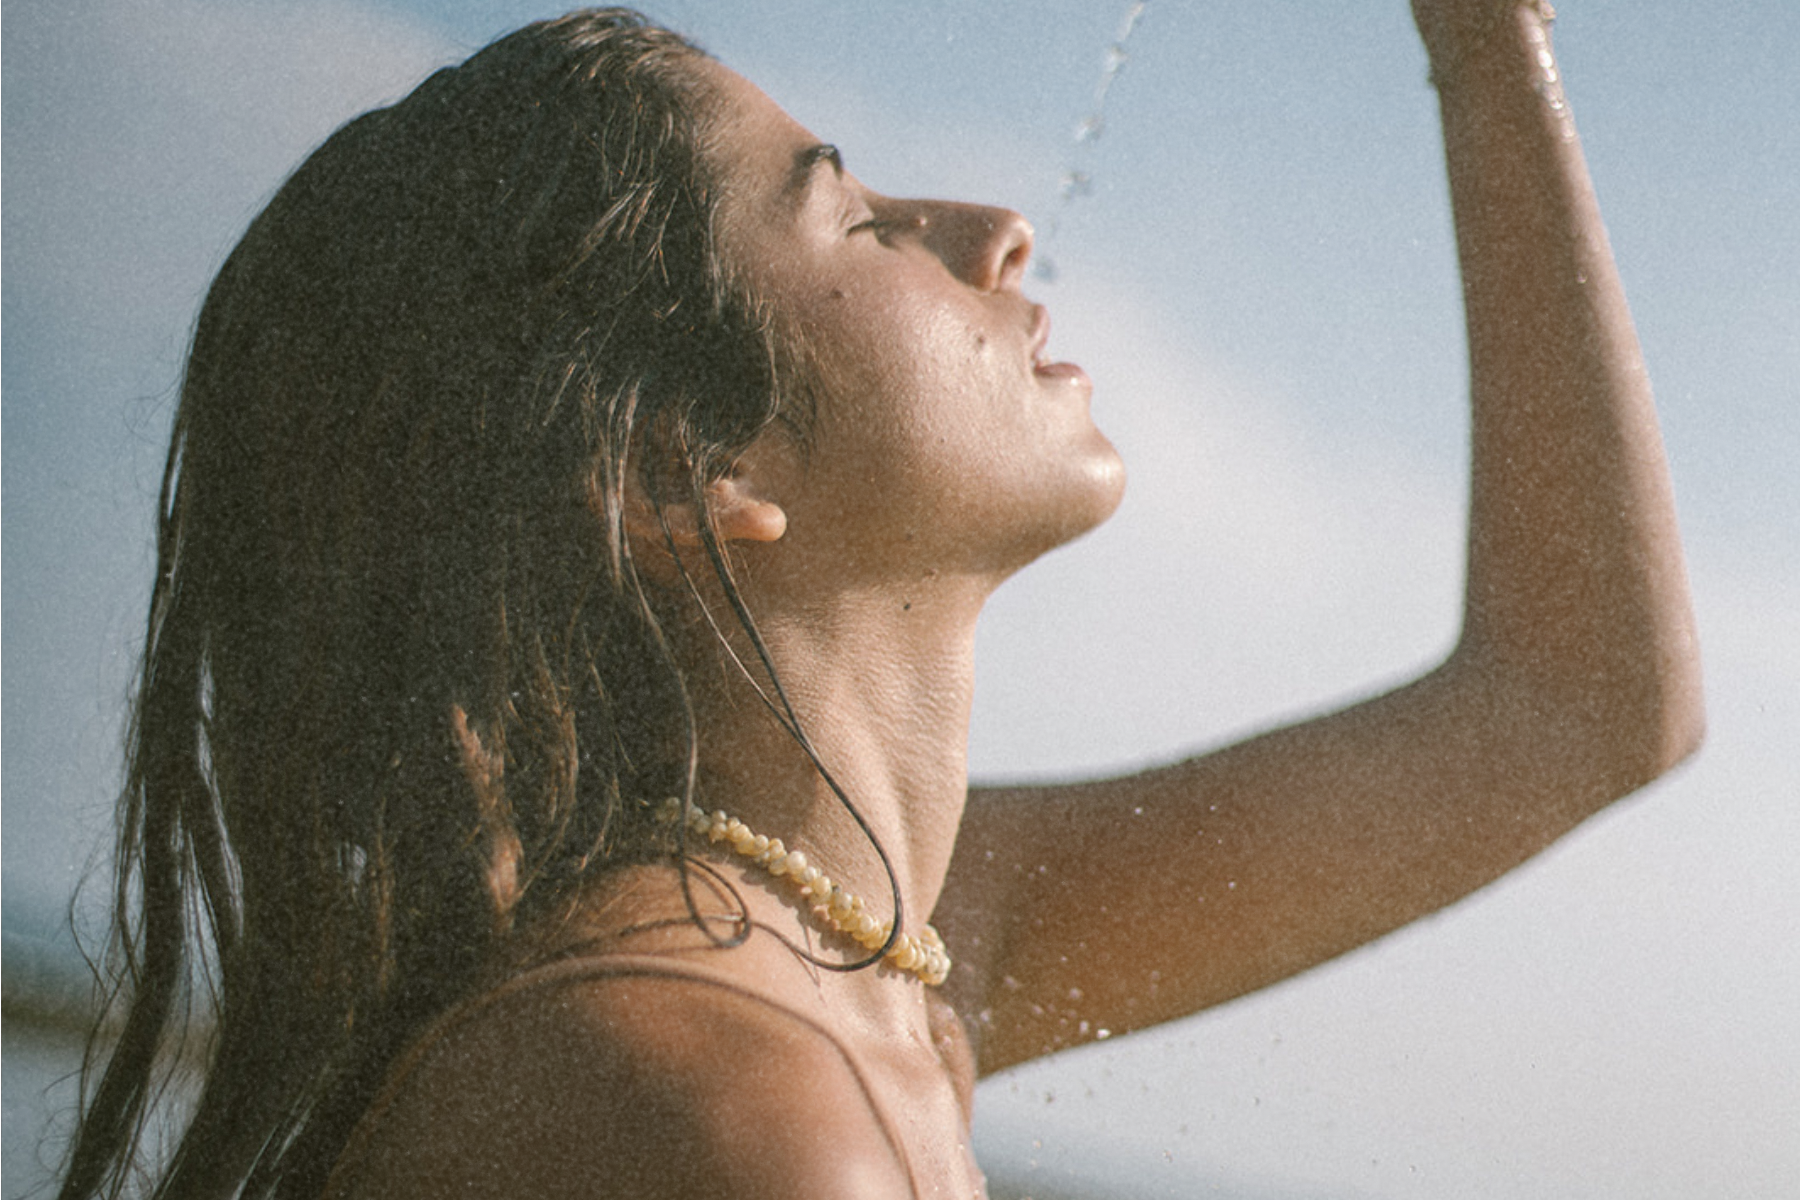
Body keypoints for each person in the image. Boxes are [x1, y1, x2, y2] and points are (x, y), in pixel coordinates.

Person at [57, 4, 1703, 1198]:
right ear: (683, 469)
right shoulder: (725, 1114)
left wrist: (1490, 42)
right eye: (851, 215)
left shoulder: (888, 959)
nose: (993, 232)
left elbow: (1577, 706)